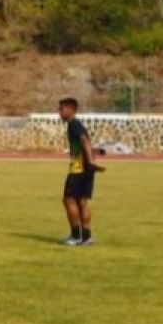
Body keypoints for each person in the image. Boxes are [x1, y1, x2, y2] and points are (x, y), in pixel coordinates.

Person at [59, 97, 104, 246]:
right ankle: (86, 237)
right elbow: (87, 142)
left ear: (71, 110)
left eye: (62, 109)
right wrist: (92, 161)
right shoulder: (77, 124)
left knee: (69, 199)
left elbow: (84, 140)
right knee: (82, 201)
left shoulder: (73, 124)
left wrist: (90, 162)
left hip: (79, 169)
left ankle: (76, 236)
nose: (60, 113)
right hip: (86, 169)